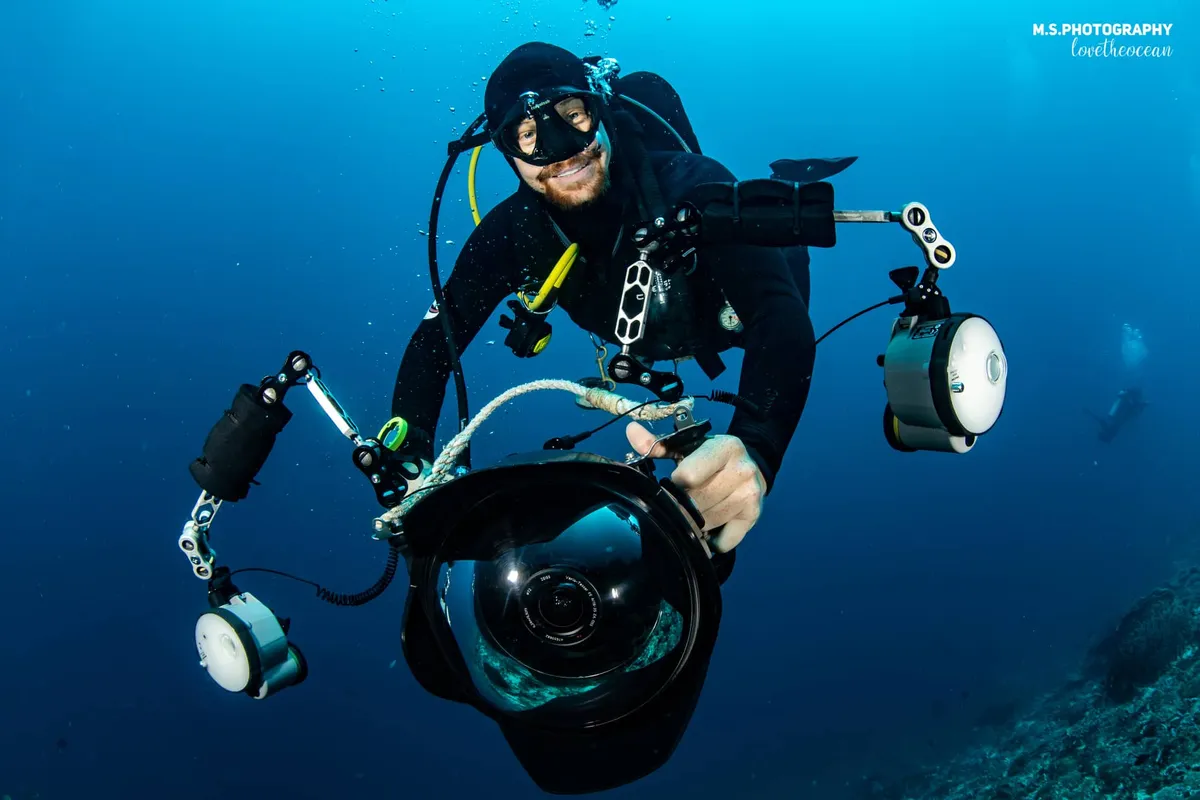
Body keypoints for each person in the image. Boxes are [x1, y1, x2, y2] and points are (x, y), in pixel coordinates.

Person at [391, 42, 823, 553]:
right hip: (642, 335)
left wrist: (755, 448)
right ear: (507, 154)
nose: (561, 150)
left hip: (724, 313)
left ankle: (783, 183)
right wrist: (413, 455)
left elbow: (778, 316)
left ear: (597, 109)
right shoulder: (511, 235)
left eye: (571, 117)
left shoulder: (691, 183)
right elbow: (433, 343)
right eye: (528, 135)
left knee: (779, 260)